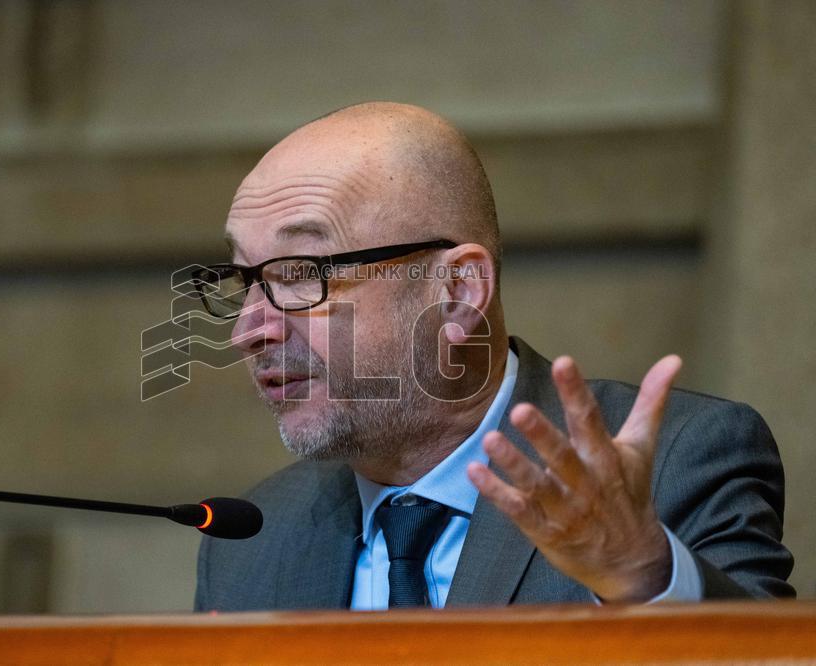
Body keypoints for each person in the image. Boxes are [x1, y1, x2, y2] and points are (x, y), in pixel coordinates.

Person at [192, 102, 794, 611]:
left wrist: (644, 575)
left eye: (300, 274)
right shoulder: (252, 534)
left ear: (457, 293)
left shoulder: (680, 461)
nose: (249, 329)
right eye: (243, 280)